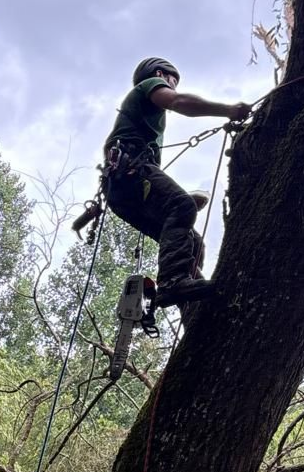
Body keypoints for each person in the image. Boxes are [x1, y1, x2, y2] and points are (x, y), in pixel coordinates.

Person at [102, 58, 252, 308]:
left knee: (193, 243)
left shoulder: (143, 117)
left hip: (124, 190)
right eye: (172, 81)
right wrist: (229, 110)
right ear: (160, 74)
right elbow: (179, 102)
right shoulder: (150, 84)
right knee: (181, 205)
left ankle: (194, 308)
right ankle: (173, 282)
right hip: (130, 174)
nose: (172, 87)